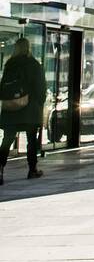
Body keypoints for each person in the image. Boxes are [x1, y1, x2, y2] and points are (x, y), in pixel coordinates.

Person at [0, 37, 47, 184]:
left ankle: (0, 170)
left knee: (7, 140)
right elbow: (41, 88)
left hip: (11, 108)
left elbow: (3, 86)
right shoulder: (34, 65)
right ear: (28, 48)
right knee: (31, 140)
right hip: (30, 109)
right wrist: (39, 103)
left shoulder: (10, 64)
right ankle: (32, 170)